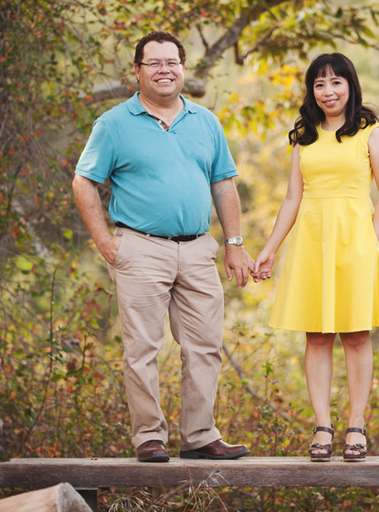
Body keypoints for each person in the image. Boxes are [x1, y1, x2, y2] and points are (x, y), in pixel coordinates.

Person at [73, 31, 253, 463]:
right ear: (137, 71)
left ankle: (199, 436)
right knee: (142, 349)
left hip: (197, 250)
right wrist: (104, 241)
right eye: (153, 63)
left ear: (183, 68)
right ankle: (149, 437)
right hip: (141, 248)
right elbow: (84, 181)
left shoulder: (206, 122)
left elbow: (224, 184)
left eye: (171, 62)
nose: (164, 70)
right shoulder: (114, 124)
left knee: (206, 345)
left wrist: (234, 244)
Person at [252, 53, 379, 462]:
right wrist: (269, 249)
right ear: (311, 91)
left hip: (356, 241)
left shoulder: (371, 132)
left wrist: (369, 242)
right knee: (316, 336)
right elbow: (292, 198)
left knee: (355, 334)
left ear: (350, 85)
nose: (328, 91)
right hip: (312, 242)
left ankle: (356, 424)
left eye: (335, 82)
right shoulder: (305, 136)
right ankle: (321, 427)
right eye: (319, 84)